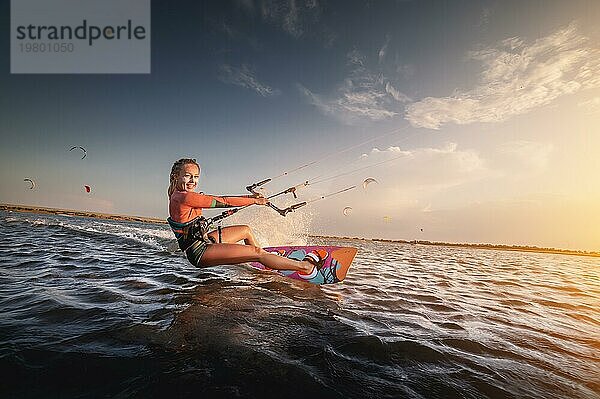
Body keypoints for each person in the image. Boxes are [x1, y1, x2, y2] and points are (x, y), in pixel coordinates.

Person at [167, 158, 324, 276]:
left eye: (196, 176)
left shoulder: (176, 193)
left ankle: (265, 262)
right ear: (176, 176)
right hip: (200, 252)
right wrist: (255, 201)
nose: (193, 181)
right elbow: (224, 201)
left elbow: (225, 198)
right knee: (256, 252)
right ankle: (305, 267)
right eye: (188, 176)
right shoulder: (184, 197)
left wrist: (251, 198)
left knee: (246, 230)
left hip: (204, 240)